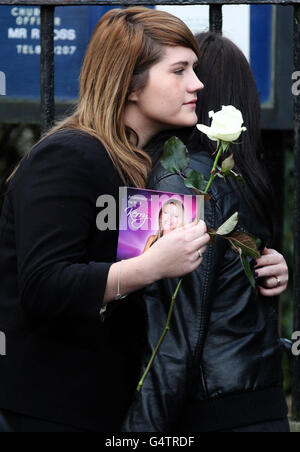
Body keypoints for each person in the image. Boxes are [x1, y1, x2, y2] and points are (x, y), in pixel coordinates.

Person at [0, 7, 211, 432]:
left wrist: (260, 263)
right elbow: (43, 284)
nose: (197, 84)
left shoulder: (149, 162)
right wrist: (151, 266)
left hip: (106, 405)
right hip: (47, 409)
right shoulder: (69, 155)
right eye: (180, 70)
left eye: (195, 69)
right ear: (131, 84)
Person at [122, 32, 290, 433]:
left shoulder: (179, 177)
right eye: (180, 72)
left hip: (207, 408)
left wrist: (135, 433)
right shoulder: (245, 181)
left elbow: (171, 331)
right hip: (258, 401)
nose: (189, 83)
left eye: (192, 73)